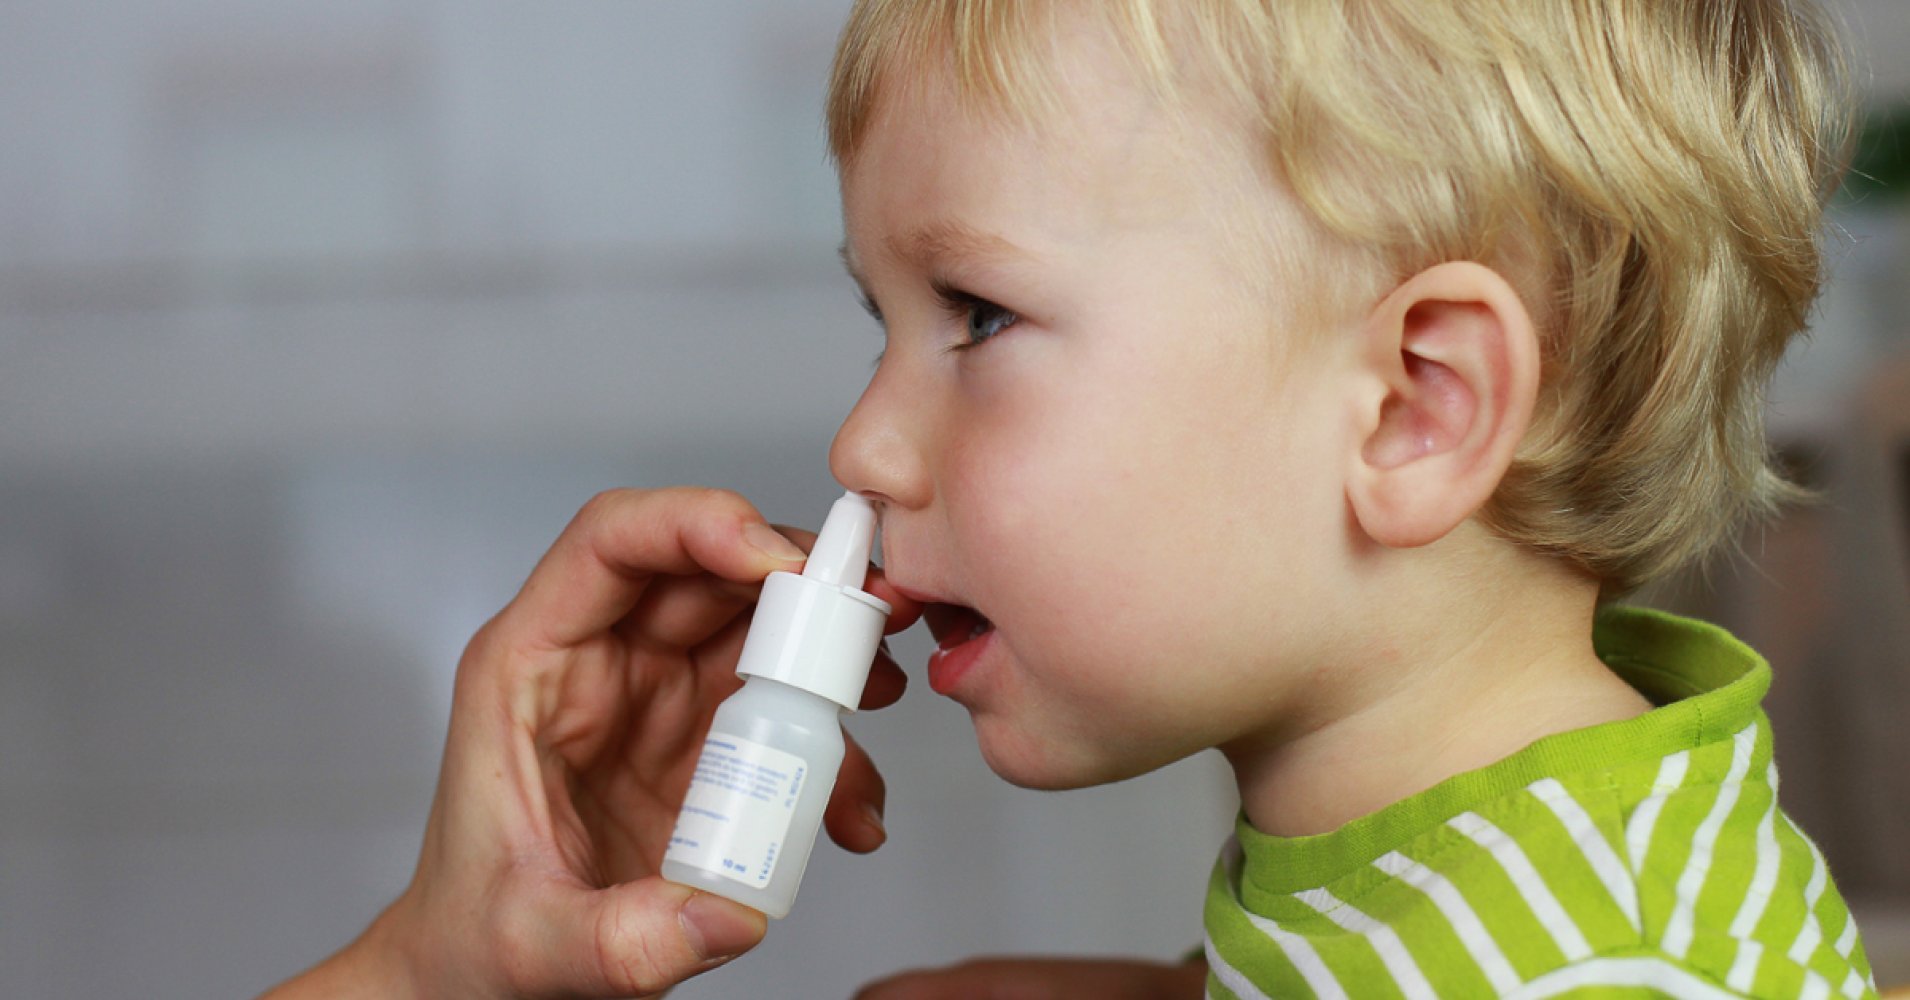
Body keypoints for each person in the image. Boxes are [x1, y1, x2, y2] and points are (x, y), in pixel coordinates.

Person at [271, 0, 1876, 996]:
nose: (862, 449)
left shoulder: (1589, 972)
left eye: (976, 317)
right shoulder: (1469, 846)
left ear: (1412, 407)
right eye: (878, 319)